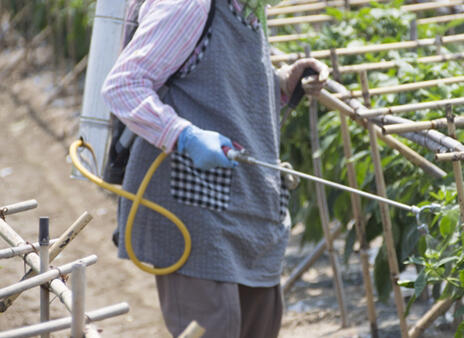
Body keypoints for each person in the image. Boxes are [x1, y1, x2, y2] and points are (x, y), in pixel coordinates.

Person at [101, 0, 328, 337]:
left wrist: (280, 84)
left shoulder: (247, 8)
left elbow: (209, 82)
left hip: (249, 204)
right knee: (214, 328)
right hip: (191, 206)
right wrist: (184, 135)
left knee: (261, 326)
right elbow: (123, 86)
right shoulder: (189, 6)